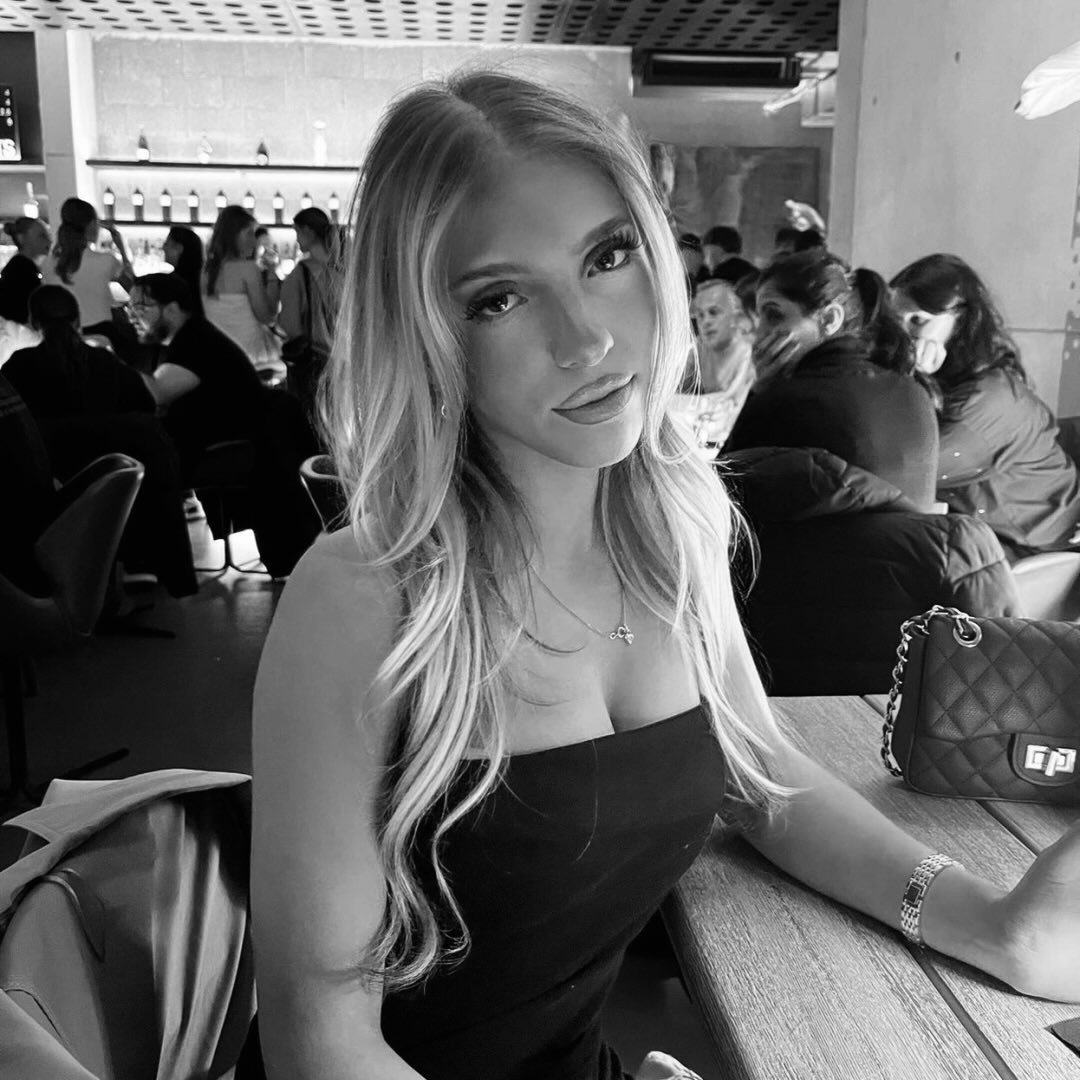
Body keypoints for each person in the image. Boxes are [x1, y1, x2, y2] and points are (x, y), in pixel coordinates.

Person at [251, 71, 1080, 1080]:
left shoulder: (674, 526)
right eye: (499, 298)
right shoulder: (364, 598)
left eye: (607, 256)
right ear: (427, 333)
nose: (588, 339)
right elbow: (319, 1044)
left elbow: (762, 778)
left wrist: (992, 924)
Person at [4, 285, 196, 597]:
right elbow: (146, 412)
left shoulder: (19, 368)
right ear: (78, 320)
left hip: (54, 495)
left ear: (33, 322)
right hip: (120, 489)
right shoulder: (105, 363)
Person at [891, 253, 1080, 557]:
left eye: (918, 321)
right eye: (893, 321)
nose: (901, 335)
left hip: (1042, 548)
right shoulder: (956, 377)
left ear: (961, 322)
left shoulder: (986, 399)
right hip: (995, 534)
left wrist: (911, 378)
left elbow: (902, 468)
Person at [724, 250, 936, 499]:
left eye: (774, 316)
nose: (759, 335)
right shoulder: (914, 391)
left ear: (829, 319)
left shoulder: (788, 403)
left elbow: (723, 492)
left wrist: (760, 392)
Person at [129, 272, 264, 481]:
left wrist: (107, 356)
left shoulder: (196, 341)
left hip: (224, 449)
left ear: (172, 309)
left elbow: (155, 394)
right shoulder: (186, 336)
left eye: (140, 308)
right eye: (129, 309)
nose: (131, 317)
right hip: (211, 441)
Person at [41, 197, 136, 357]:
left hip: (63, 340)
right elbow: (135, 290)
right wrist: (123, 249)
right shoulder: (106, 260)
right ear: (92, 225)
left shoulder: (47, 263)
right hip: (102, 339)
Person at [672, 278, 754, 449]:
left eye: (714, 312)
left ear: (736, 316)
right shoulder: (699, 347)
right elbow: (671, 391)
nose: (706, 321)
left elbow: (732, 409)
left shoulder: (751, 353)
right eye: (700, 315)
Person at [203, 205, 283, 379]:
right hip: (250, 356)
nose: (254, 242)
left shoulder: (205, 272)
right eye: (249, 234)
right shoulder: (247, 269)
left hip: (216, 356)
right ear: (234, 234)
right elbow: (267, 317)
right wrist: (272, 274)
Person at [278, 207, 338, 423]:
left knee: (309, 423)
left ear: (308, 232)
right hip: (344, 360)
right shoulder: (344, 269)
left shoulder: (300, 274)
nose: (297, 239)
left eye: (297, 232)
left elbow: (290, 324)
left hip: (314, 361)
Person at [0, 216, 50, 325]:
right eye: (41, 236)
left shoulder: (23, 266)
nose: (48, 240)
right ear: (21, 239)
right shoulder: (21, 270)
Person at [163, 225, 205, 318]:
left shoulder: (174, 282)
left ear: (179, 248)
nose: (164, 248)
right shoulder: (203, 276)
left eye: (166, 244)